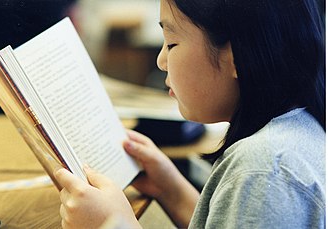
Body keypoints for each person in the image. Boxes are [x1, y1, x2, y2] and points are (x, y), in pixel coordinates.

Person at [53, 0, 326, 228]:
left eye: (171, 43)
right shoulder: (294, 132)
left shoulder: (263, 171)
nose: (161, 61)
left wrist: (111, 223)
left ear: (237, 58)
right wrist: (170, 190)